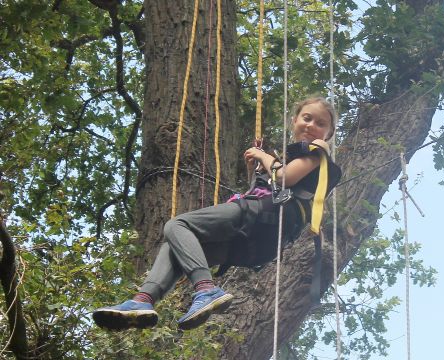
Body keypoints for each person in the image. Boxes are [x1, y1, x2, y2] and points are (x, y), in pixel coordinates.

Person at [92, 97, 342, 331]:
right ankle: (143, 300)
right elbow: (269, 186)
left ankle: (205, 289)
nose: (311, 125)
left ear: (328, 134)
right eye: (307, 118)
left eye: (321, 123)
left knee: (177, 226)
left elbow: (284, 178)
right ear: (295, 120)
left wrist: (263, 155)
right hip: (262, 242)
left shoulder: (316, 151)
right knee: (177, 248)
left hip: (264, 217)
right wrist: (256, 171)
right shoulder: (290, 156)